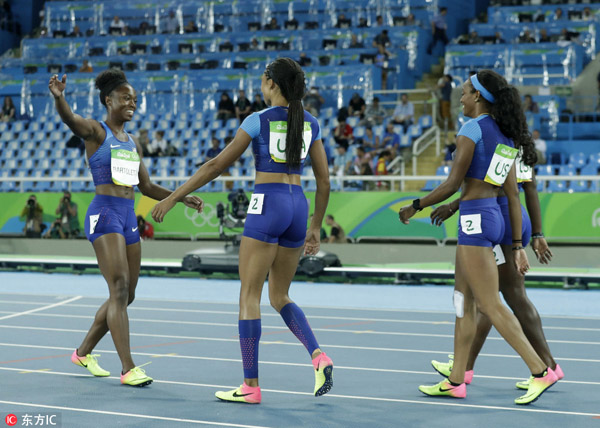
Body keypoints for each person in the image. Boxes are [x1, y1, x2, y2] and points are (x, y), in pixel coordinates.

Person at [151, 57, 333, 404]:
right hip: (298, 206)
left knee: (249, 296)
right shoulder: (310, 123)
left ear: (271, 84)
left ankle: (250, 386)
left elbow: (217, 165)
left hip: (267, 202)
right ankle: (318, 355)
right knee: (279, 296)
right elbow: (324, 181)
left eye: (262, 81)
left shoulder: (258, 120)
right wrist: (315, 227)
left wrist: (175, 197)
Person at [398, 70, 558, 405]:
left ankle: (540, 371)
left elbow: (452, 184)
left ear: (479, 97)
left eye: (466, 91)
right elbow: (512, 194)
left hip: (475, 221)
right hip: (495, 217)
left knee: (488, 304)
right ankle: (457, 378)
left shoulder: (471, 130)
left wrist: (416, 205)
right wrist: (516, 244)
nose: (461, 96)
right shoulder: (506, 134)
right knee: (463, 301)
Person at [49, 69, 202, 387]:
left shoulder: (133, 142)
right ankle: (128, 367)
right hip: (104, 214)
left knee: (127, 294)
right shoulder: (96, 131)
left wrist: (180, 197)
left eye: (134, 98)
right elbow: (71, 121)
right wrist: (60, 98)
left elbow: (145, 186)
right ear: (109, 100)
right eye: (125, 97)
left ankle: (83, 352)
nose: (132, 102)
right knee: (118, 288)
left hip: (128, 217)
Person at [429, 142, 563, 395]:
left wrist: (451, 205)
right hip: (514, 217)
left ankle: (546, 367)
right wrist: (536, 232)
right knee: (497, 298)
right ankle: (465, 367)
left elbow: (488, 187)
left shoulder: (498, 141)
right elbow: (529, 189)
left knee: (497, 299)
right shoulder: (518, 142)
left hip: (498, 219)